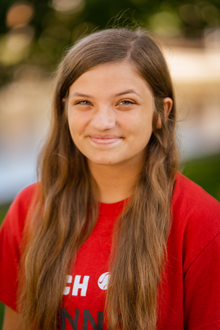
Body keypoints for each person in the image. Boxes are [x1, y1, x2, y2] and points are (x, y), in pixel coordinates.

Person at [0, 28, 220, 330]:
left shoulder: (203, 223)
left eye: (125, 102)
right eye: (84, 103)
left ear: (160, 113)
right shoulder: (28, 210)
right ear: (64, 109)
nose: (103, 122)